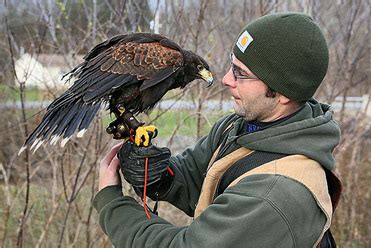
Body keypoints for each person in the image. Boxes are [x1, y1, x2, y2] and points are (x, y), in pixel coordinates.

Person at [93, 12, 341, 247]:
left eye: (240, 74)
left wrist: (111, 202)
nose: (226, 79)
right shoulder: (240, 127)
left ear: (283, 93)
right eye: (232, 66)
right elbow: (193, 182)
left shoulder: (273, 195)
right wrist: (154, 174)